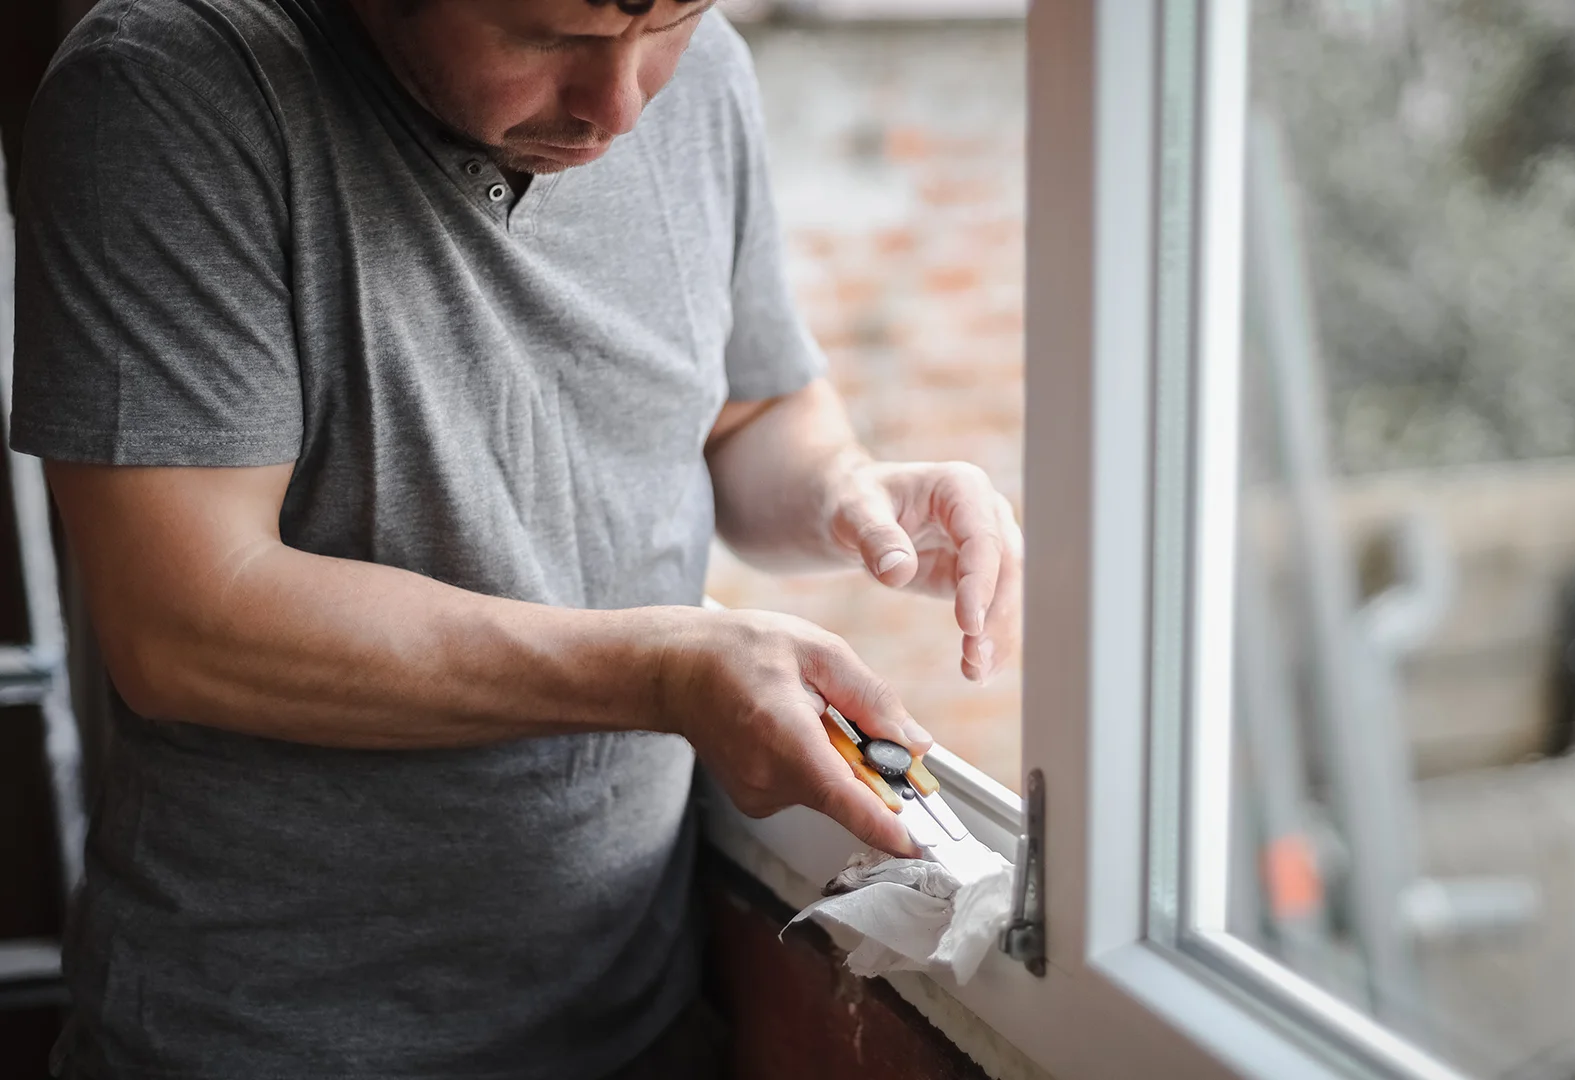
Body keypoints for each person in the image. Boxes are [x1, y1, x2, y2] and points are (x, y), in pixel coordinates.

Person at [10, 0, 1023, 1074]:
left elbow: (749, 415)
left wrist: (849, 491)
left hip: (635, 1022)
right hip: (267, 1042)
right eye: (547, 39)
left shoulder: (709, 78)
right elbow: (186, 625)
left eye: (672, 21)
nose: (620, 106)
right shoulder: (166, 88)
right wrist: (669, 671)